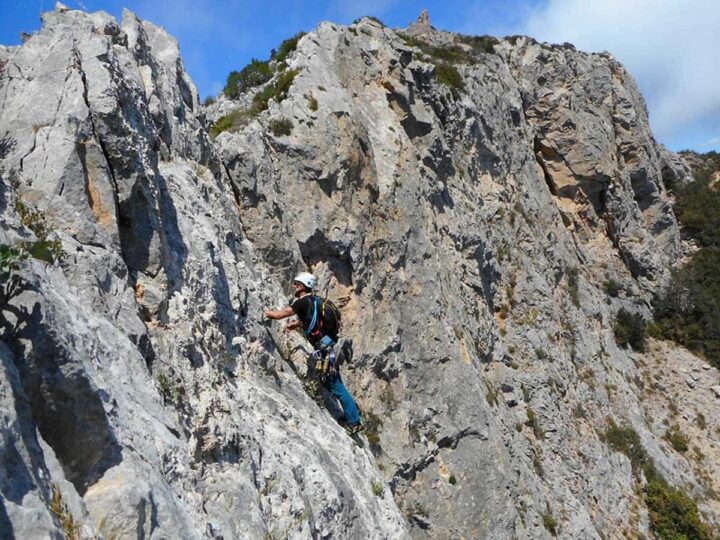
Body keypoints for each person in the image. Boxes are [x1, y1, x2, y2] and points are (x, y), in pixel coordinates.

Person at [264, 272, 364, 434]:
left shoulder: (301, 302)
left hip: (324, 349)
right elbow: (312, 320)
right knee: (328, 381)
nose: (294, 286)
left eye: (297, 283)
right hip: (329, 345)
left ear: (302, 286)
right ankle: (352, 411)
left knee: (335, 385)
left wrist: (265, 313)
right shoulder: (315, 300)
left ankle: (355, 422)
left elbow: (279, 315)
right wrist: (296, 325)